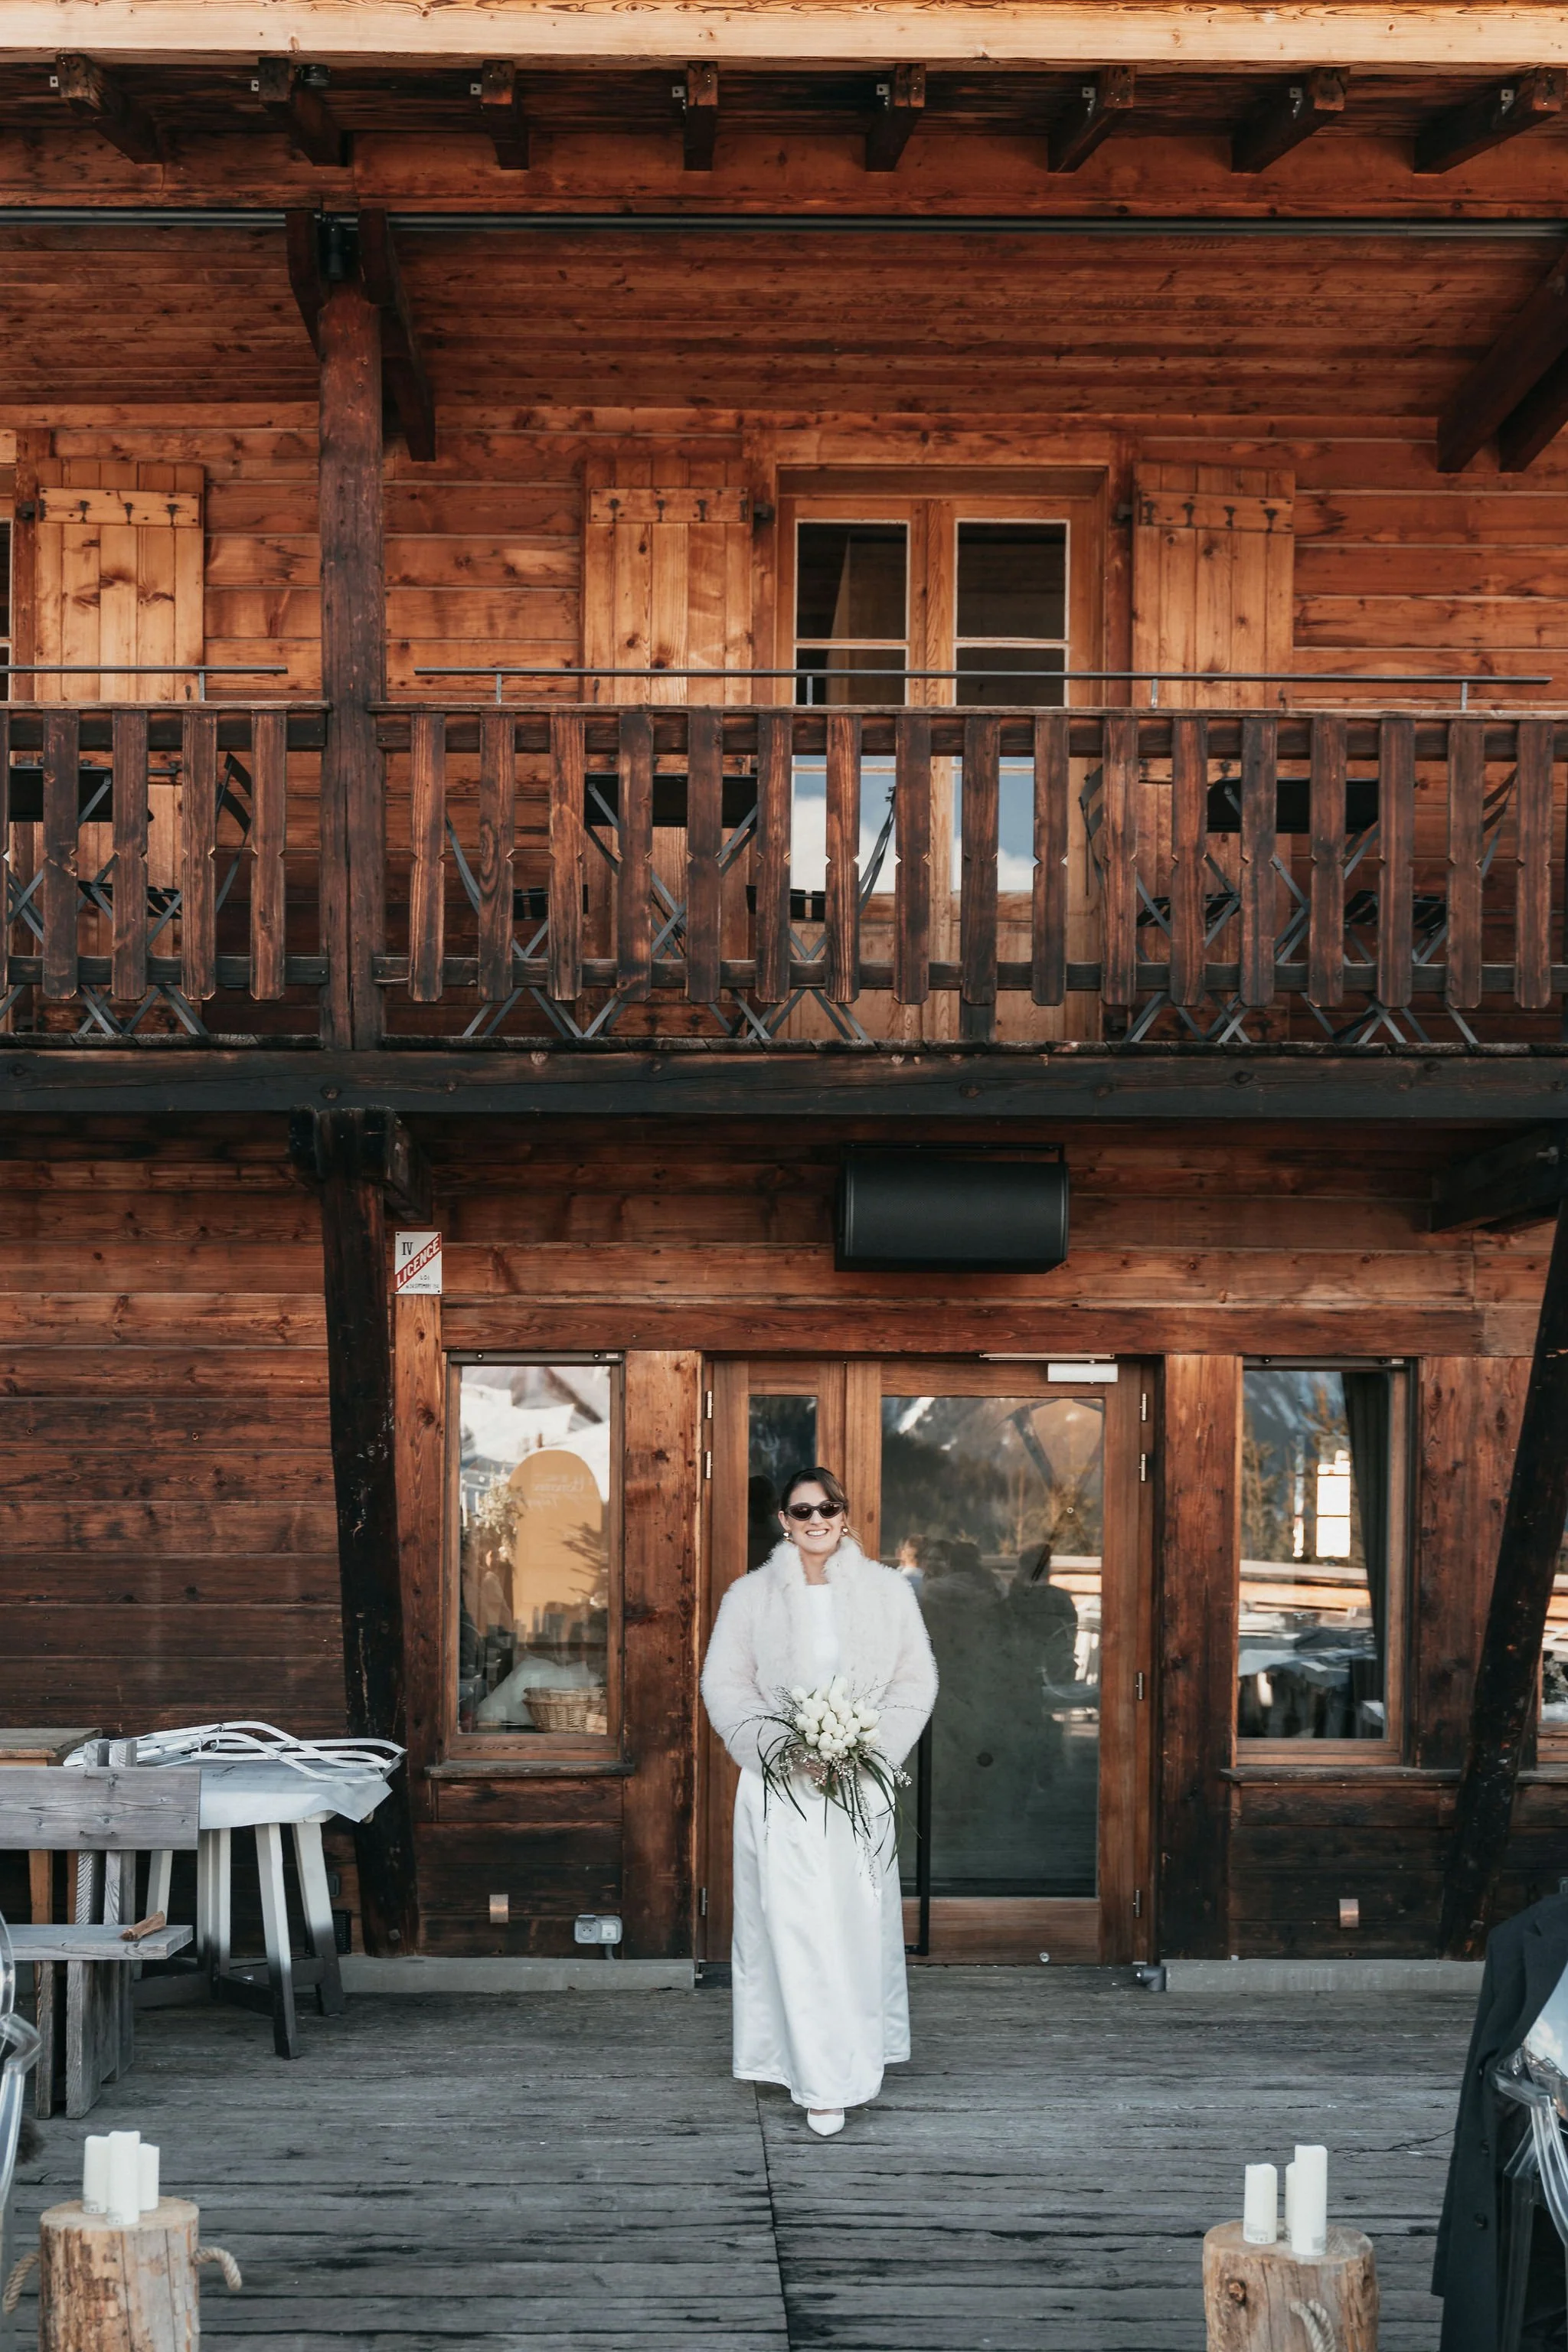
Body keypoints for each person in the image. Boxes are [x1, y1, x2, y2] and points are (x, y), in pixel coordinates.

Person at [701, 1465, 938, 2138]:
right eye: (802, 1510)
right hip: (781, 1789)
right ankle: (817, 2079)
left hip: (859, 1784)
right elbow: (727, 1686)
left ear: (844, 1513)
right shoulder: (748, 1597)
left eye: (828, 1508)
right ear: (783, 1518)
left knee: (858, 1923)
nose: (816, 1520)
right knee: (794, 1926)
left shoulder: (889, 1593)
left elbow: (912, 1681)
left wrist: (868, 1748)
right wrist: (783, 1751)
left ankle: (859, 2055)